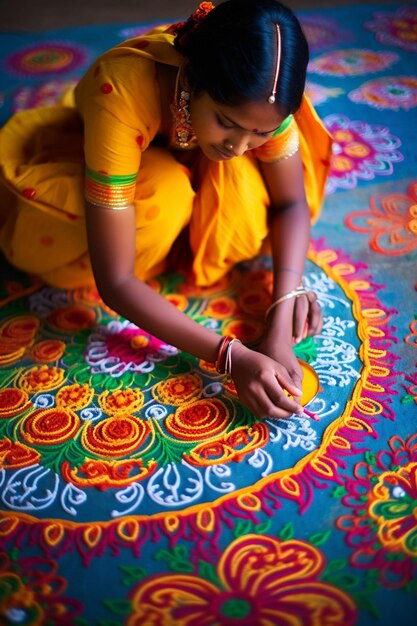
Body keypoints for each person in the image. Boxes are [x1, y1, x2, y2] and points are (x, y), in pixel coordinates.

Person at [0, 0, 332, 420]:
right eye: (226, 121)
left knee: (247, 204)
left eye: (260, 133)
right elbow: (116, 279)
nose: (238, 146)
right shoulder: (121, 92)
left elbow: (289, 203)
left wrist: (281, 318)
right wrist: (229, 356)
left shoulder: (259, 104)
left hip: (192, 155)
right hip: (128, 169)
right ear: (192, 79)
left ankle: (186, 220)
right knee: (164, 196)